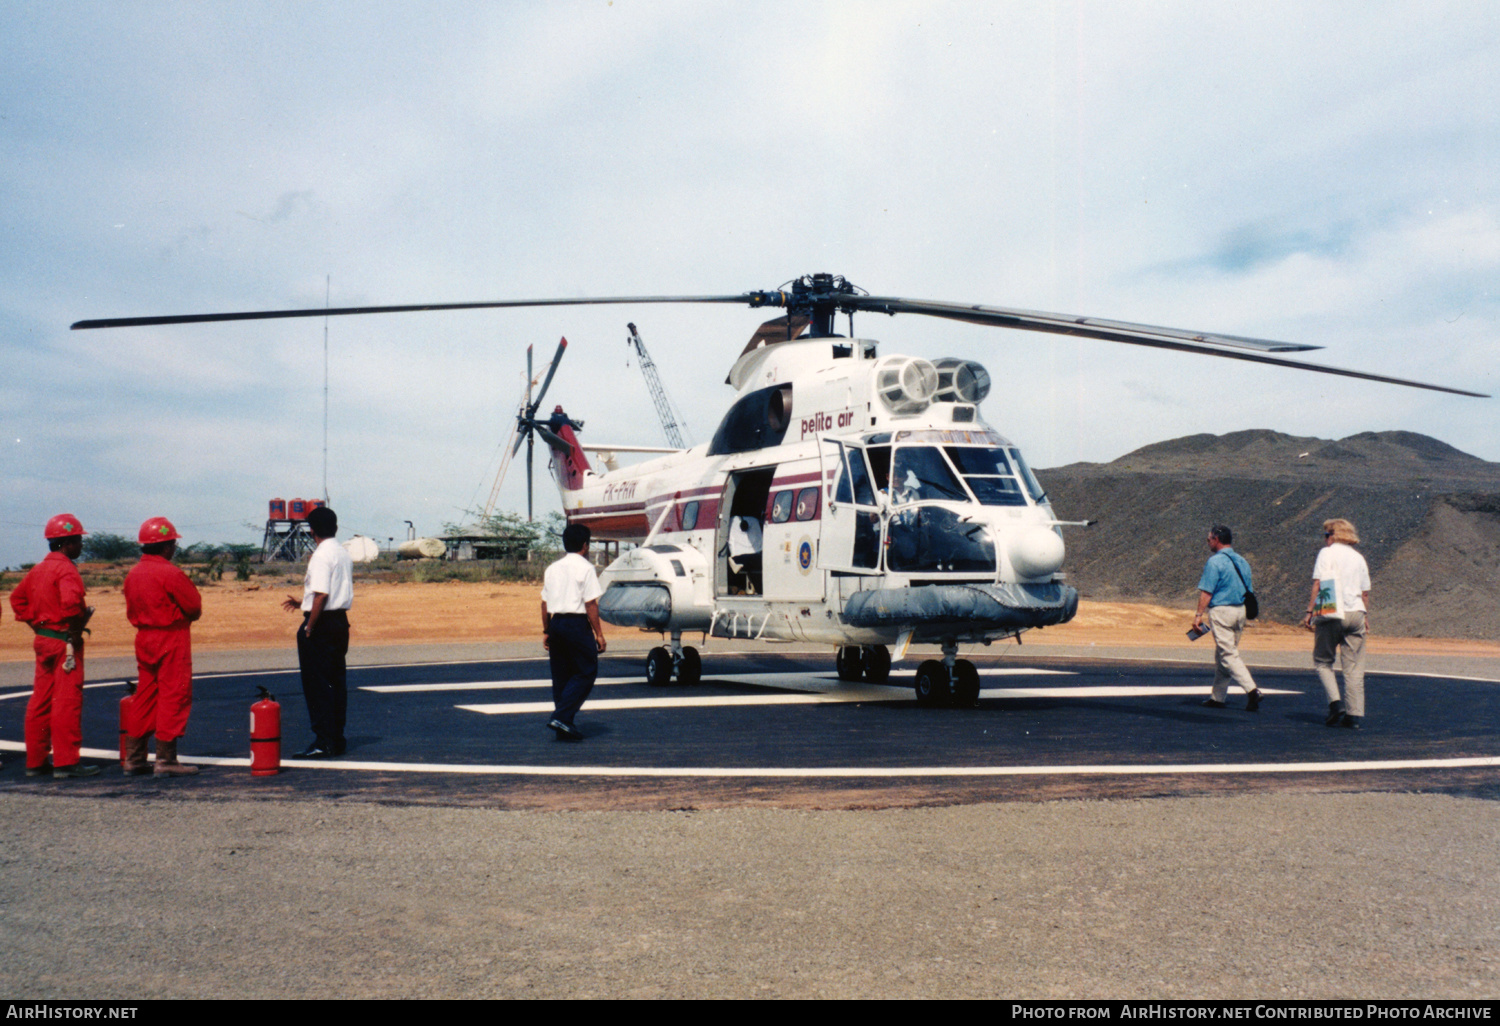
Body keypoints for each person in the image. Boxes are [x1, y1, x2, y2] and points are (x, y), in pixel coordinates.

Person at [8, 514, 99, 778]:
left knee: (41, 700)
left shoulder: (38, 569)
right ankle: (67, 763)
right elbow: (71, 603)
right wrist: (73, 631)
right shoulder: (66, 569)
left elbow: (18, 600)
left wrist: (37, 627)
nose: (81, 546)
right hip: (64, 643)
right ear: (67, 543)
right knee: (66, 702)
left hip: (43, 640)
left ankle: (35, 762)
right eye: (78, 540)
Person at [122, 517, 203, 776]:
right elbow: (194, 607)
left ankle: (134, 758)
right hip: (171, 637)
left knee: (145, 695)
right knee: (173, 694)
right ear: (167, 546)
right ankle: (166, 760)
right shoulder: (170, 572)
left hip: (144, 638)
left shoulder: (133, 574)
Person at [281, 506, 353, 757]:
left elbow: (322, 593)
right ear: (335, 527)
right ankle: (336, 737)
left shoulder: (321, 555)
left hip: (321, 624)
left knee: (317, 684)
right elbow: (330, 593)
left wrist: (309, 625)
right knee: (336, 682)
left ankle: (323, 740)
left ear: (311, 530)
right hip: (339, 622)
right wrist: (304, 603)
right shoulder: (342, 553)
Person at [540, 523, 607, 741]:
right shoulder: (586, 568)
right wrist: (599, 633)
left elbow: (544, 603)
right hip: (576, 624)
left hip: (557, 622)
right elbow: (590, 604)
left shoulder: (552, 568)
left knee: (561, 676)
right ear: (585, 545)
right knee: (587, 670)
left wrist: (547, 629)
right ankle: (561, 716)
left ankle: (564, 724)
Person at [1303, 518, 1372, 729]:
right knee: (1353, 667)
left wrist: (1309, 611)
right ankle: (1354, 714)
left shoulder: (1327, 553)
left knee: (1323, 661)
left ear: (1333, 535)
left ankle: (1335, 703)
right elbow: (1365, 592)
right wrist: (1365, 616)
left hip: (1332, 612)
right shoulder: (1359, 557)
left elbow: (1318, 583)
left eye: (1326, 535)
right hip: (1356, 613)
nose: (1325, 539)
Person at [1191, 524, 1264, 711]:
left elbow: (1207, 591)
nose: (1207, 542)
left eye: (1209, 539)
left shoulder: (1214, 562)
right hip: (1240, 611)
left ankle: (1252, 690)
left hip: (1221, 611)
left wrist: (1198, 615)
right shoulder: (1242, 561)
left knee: (1228, 654)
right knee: (1224, 653)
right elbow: (1250, 589)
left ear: (1216, 539)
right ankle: (1218, 697)